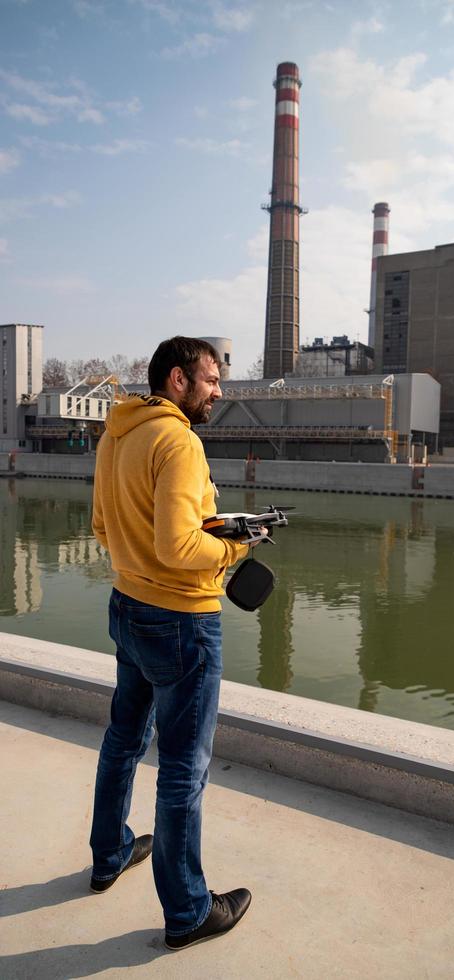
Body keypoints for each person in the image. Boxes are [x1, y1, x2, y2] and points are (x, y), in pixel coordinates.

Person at [89, 337, 262, 950]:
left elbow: (103, 526)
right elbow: (179, 549)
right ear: (178, 379)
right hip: (182, 621)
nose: (220, 391)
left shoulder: (118, 432)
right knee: (183, 770)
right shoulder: (179, 442)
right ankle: (188, 910)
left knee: (124, 739)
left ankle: (109, 854)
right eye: (211, 379)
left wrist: (190, 534)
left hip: (128, 606)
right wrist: (239, 545)